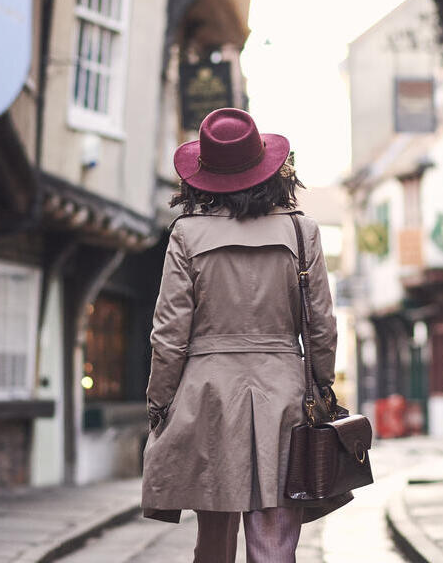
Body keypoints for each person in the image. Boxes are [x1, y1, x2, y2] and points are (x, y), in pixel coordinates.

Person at [141, 107, 341, 563]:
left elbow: (169, 332)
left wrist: (160, 403)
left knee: (212, 537)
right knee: (275, 535)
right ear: (269, 170)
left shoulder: (186, 234)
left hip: (207, 394)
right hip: (284, 392)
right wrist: (323, 387)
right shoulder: (300, 229)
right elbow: (321, 325)